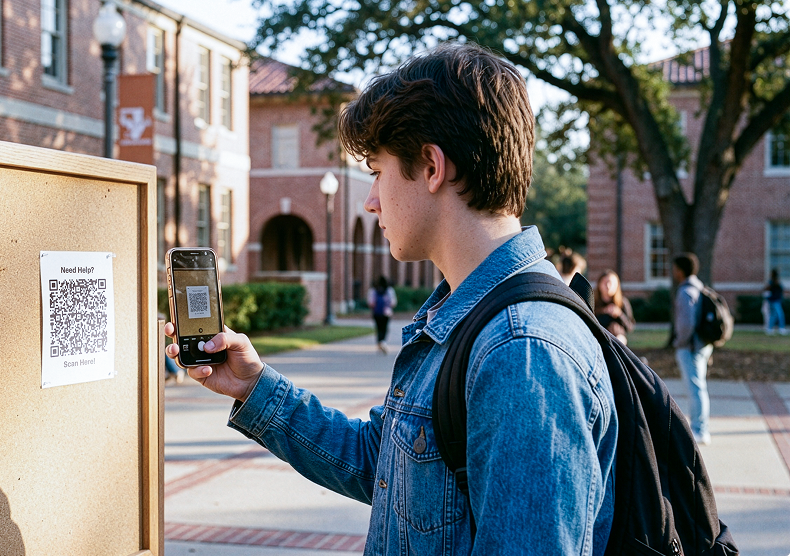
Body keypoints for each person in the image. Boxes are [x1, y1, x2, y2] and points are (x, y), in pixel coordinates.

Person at [165, 43, 617, 555]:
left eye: (377, 171)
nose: (370, 199)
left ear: (430, 167)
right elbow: (385, 463)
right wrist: (255, 387)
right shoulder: (464, 316)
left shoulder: (523, 353)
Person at [671, 253, 713, 445]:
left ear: (680, 270)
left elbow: (686, 324)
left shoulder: (685, 291)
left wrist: (680, 342)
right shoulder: (700, 287)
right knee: (699, 387)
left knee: (695, 388)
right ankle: (700, 427)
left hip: (691, 347)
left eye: (674, 268)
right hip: (703, 345)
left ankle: (699, 430)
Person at [594, 269, 635, 344]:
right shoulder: (594, 302)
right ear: (599, 284)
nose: (608, 286)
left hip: (617, 339)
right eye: (605, 282)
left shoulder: (622, 302)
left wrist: (619, 314)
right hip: (598, 337)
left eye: (611, 283)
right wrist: (603, 311)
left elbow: (629, 327)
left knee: (619, 341)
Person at [367, 275, 397, 354]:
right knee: (384, 327)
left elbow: (371, 303)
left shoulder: (373, 290)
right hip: (386, 312)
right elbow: (393, 302)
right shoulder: (389, 290)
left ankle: (379, 342)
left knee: (378, 327)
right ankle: (383, 341)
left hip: (376, 312)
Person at [764, 268, 787, 335]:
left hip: (776, 300)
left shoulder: (775, 281)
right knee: (779, 314)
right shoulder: (773, 282)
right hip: (774, 300)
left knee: (774, 315)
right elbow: (767, 289)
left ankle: (770, 328)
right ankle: (781, 328)